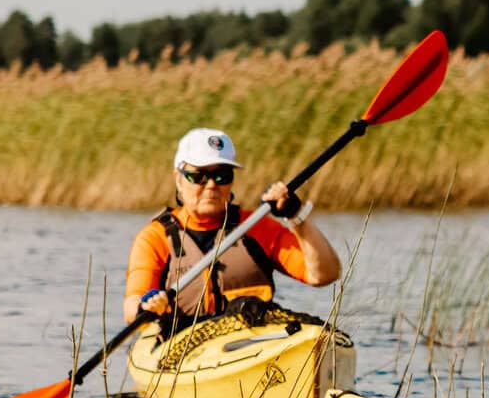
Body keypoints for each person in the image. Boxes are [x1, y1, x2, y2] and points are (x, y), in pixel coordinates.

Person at [124, 128, 342, 327]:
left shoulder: (257, 227)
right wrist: (147, 306)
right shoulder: (154, 238)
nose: (211, 186)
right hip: (181, 346)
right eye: (199, 176)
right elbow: (132, 306)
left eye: (222, 176)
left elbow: (324, 275)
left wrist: (297, 217)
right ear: (179, 180)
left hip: (250, 342)